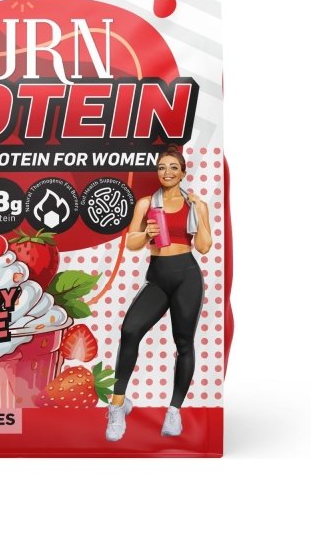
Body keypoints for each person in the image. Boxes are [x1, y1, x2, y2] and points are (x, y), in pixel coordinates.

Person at [105, 144, 212, 441]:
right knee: (130, 330)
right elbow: (131, 243)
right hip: (158, 277)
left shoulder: (196, 204)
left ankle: (174, 411)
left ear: (183, 173)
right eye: (162, 167)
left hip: (187, 276)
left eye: (173, 167)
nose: (167, 172)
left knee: (184, 343)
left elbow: (204, 247)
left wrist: (199, 212)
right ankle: (118, 404)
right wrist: (146, 234)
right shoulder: (146, 204)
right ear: (158, 172)